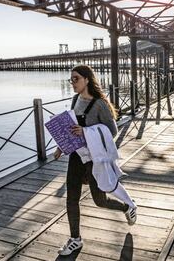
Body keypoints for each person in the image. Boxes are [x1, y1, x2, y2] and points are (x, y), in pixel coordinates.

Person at [54, 65, 137, 256]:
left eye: (75, 79)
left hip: (94, 159)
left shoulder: (100, 104)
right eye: (71, 79)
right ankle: (75, 239)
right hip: (76, 156)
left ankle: (127, 206)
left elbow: (112, 131)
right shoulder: (75, 100)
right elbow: (71, 128)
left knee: (100, 201)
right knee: (71, 198)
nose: (72, 83)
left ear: (87, 80)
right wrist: (61, 147)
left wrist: (86, 131)